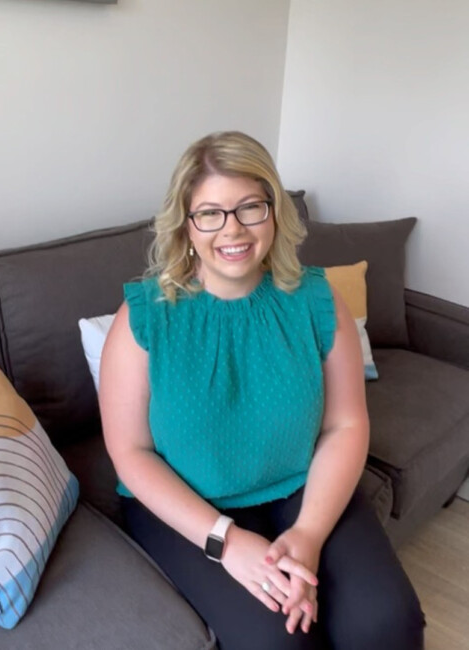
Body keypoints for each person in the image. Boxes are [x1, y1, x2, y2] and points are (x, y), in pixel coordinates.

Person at [98, 131, 425, 650]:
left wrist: (310, 536)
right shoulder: (143, 317)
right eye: (210, 212)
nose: (232, 229)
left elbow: (345, 424)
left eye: (250, 207)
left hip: (301, 487)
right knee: (280, 641)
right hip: (189, 504)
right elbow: (129, 453)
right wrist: (224, 542)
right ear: (185, 224)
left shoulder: (317, 298)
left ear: (275, 212)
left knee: (386, 621)